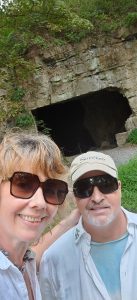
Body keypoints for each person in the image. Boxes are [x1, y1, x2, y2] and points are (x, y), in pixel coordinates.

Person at [39, 151, 137, 300]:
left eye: (106, 184)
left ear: (119, 188)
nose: (97, 198)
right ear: (75, 196)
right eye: (85, 188)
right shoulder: (54, 259)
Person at [0, 130, 79, 300]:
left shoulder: (23, 260)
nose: (41, 203)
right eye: (24, 184)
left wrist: (72, 219)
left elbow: (34, 254)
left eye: (51, 190)